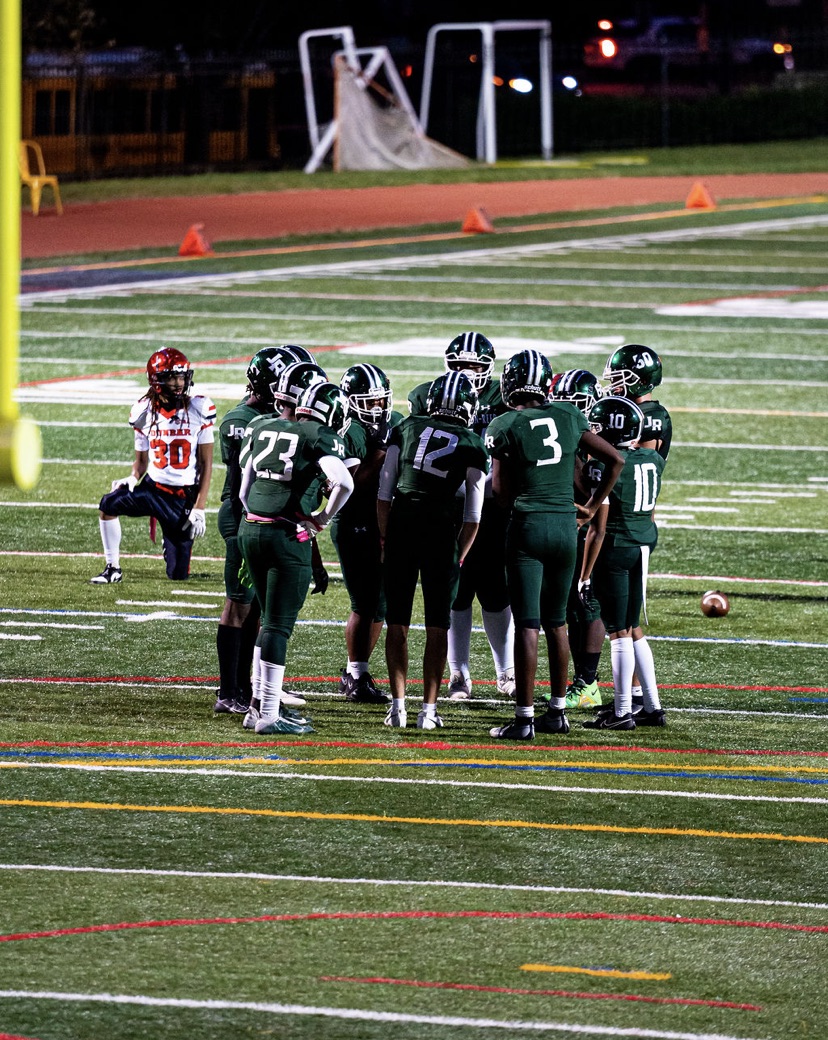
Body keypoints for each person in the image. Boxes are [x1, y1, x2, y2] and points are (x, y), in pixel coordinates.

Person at [485, 349, 623, 741]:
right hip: (566, 526)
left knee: (528, 624)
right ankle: (557, 712)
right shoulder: (568, 414)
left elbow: (499, 491)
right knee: (557, 622)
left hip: (529, 525)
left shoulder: (505, 423)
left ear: (511, 384)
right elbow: (614, 459)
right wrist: (593, 505)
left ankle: (525, 719)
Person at [238, 380, 354, 735]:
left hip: (250, 529)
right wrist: (322, 518)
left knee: (267, 620)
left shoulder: (265, 426)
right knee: (277, 625)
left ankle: (257, 707)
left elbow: (244, 488)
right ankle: (271, 714)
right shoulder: (319, 436)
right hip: (286, 536)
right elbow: (345, 483)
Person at [378, 371, 489, 730]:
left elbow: (384, 494)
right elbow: (473, 516)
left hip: (402, 525)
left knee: (397, 621)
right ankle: (427, 711)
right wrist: (460, 553)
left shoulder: (407, 427)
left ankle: (397, 707)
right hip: (441, 532)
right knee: (437, 625)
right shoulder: (472, 442)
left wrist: (385, 537)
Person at [408, 331, 514, 701]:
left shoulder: (502, 396)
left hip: (493, 505)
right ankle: (459, 674)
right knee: (456, 594)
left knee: (497, 593)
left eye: (475, 365)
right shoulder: (428, 395)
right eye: (460, 365)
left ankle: (506, 671)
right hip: (446, 504)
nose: (468, 372)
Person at [213, 345, 311, 716]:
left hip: (259, 515)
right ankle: (228, 690)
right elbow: (245, 483)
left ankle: (253, 686)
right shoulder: (241, 420)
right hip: (243, 514)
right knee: (239, 604)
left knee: (259, 606)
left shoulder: (269, 418)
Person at [90, 347, 215, 584]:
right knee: (108, 503)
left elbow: (206, 465)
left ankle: (170, 540)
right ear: (157, 380)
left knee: (178, 574)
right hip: (152, 488)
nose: (179, 383)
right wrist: (132, 477)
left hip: (181, 495)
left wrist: (199, 507)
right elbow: (141, 462)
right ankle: (112, 567)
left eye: (181, 377)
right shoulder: (143, 411)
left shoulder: (200, 409)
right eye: (171, 377)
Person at [581, 395, 667, 730]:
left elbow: (597, 530)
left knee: (618, 632)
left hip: (617, 545)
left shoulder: (605, 465)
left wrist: (584, 577)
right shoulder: (651, 458)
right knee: (633, 630)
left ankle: (621, 712)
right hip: (644, 541)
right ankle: (652, 705)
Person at [603, 343, 672, 713]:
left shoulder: (651, 418)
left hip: (626, 522)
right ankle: (643, 700)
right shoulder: (641, 417)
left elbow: (625, 467)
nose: (613, 384)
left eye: (619, 377)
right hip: (640, 524)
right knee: (630, 623)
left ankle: (624, 705)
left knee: (621, 625)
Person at [331, 363, 402, 705]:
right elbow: (348, 487)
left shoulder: (396, 422)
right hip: (355, 521)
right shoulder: (349, 431)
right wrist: (379, 456)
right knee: (365, 602)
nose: (377, 408)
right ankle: (355, 673)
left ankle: (357, 671)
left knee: (380, 605)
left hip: (384, 523)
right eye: (369, 402)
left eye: (380, 401)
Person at [548, 368, 607, 711]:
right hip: (571, 529)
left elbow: (593, 494)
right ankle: (583, 683)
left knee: (589, 604)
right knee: (572, 606)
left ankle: (588, 682)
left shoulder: (598, 439)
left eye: (577, 404)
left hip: (594, 530)